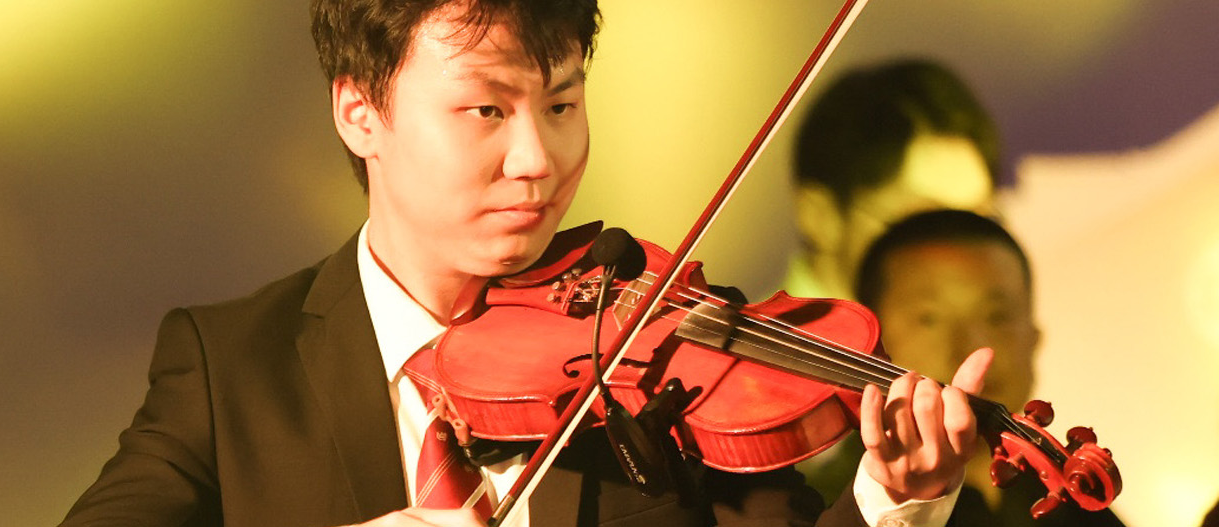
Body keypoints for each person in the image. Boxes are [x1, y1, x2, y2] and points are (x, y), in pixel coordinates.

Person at [61, 1, 992, 526]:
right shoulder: (229, 367)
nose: (539, 160)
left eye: (560, 105)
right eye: (486, 110)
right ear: (359, 113)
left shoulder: (658, 353)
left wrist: (895, 499)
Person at [804, 209, 1121, 526]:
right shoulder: (812, 506)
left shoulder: (1079, 508)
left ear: (1034, 338)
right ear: (874, 344)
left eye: (997, 316)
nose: (970, 348)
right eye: (929, 319)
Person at [785, 59, 1003, 301]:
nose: (958, 260)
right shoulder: (761, 328)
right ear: (818, 216)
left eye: (979, 225)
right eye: (922, 225)